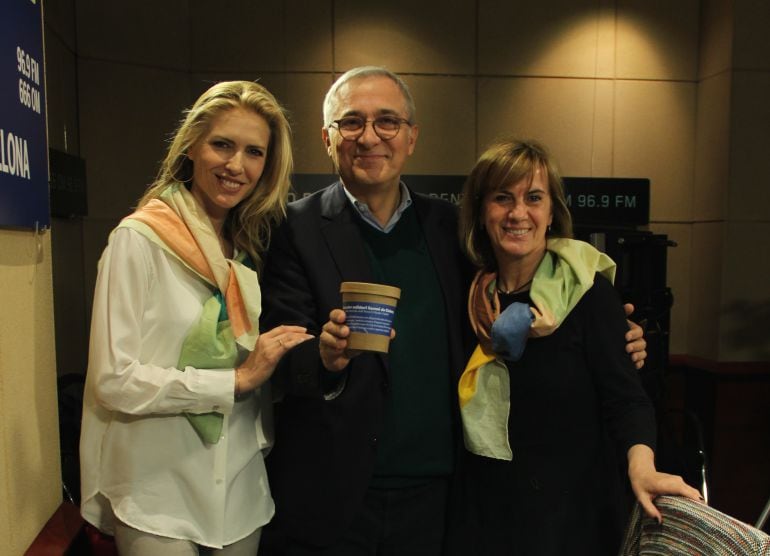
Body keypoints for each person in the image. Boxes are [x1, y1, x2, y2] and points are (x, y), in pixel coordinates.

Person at [258, 67, 647, 555]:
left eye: (388, 122)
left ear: (412, 137)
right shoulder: (295, 228)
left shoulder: (449, 229)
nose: (370, 136)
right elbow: (281, 349)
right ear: (327, 137)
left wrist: (614, 333)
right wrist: (324, 357)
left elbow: (527, 283)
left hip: (440, 498)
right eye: (351, 122)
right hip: (332, 496)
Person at [79, 80, 312, 555]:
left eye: (254, 152)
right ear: (190, 145)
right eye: (221, 145)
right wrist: (234, 381)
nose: (236, 165)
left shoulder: (247, 253)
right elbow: (113, 380)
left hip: (241, 488)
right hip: (157, 493)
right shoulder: (138, 241)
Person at [450, 138, 702, 555]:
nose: (518, 213)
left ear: (551, 213)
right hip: (484, 519)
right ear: (481, 211)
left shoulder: (589, 297)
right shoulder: (470, 297)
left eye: (533, 198)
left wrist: (641, 466)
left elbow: (627, 402)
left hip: (570, 524)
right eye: (502, 198)